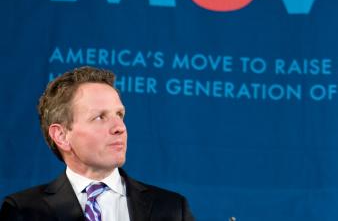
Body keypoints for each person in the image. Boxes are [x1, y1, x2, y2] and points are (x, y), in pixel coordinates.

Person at [0, 66, 194, 220]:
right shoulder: (24, 211)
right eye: (100, 117)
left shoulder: (173, 209)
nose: (120, 127)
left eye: (120, 114)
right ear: (61, 135)